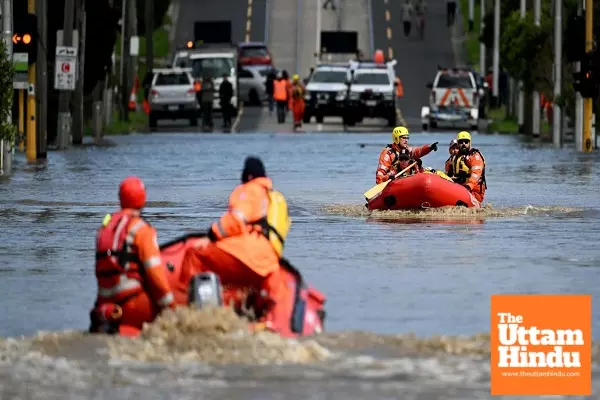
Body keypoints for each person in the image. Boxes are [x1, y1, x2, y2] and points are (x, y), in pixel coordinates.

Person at [179, 156, 292, 316]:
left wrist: (211, 236)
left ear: (249, 176)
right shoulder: (272, 198)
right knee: (238, 282)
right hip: (268, 261)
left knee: (194, 254)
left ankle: (182, 308)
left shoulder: (250, 189)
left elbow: (236, 220)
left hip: (248, 254)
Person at [90, 176, 175, 334]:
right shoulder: (141, 229)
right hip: (132, 303)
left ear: (120, 198)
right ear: (143, 198)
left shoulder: (104, 228)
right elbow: (155, 274)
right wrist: (171, 307)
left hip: (103, 306)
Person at [451, 131, 487, 203]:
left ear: (470, 143)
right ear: (458, 144)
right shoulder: (455, 158)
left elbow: (476, 174)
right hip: (460, 188)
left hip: (474, 191)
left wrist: (469, 186)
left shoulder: (474, 156)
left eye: (466, 142)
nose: (463, 144)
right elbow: (449, 175)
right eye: (461, 142)